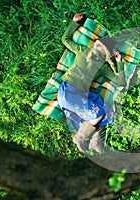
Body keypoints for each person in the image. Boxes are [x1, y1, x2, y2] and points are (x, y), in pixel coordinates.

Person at [57, 13, 126, 154]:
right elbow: (65, 39)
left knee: (107, 113)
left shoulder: (103, 67)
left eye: (99, 46)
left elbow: (120, 81)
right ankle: (80, 137)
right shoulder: (82, 50)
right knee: (98, 113)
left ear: (105, 53)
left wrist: (119, 63)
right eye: (97, 43)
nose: (96, 45)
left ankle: (94, 140)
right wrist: (74, 23)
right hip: (68, 93)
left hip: (79, 98)